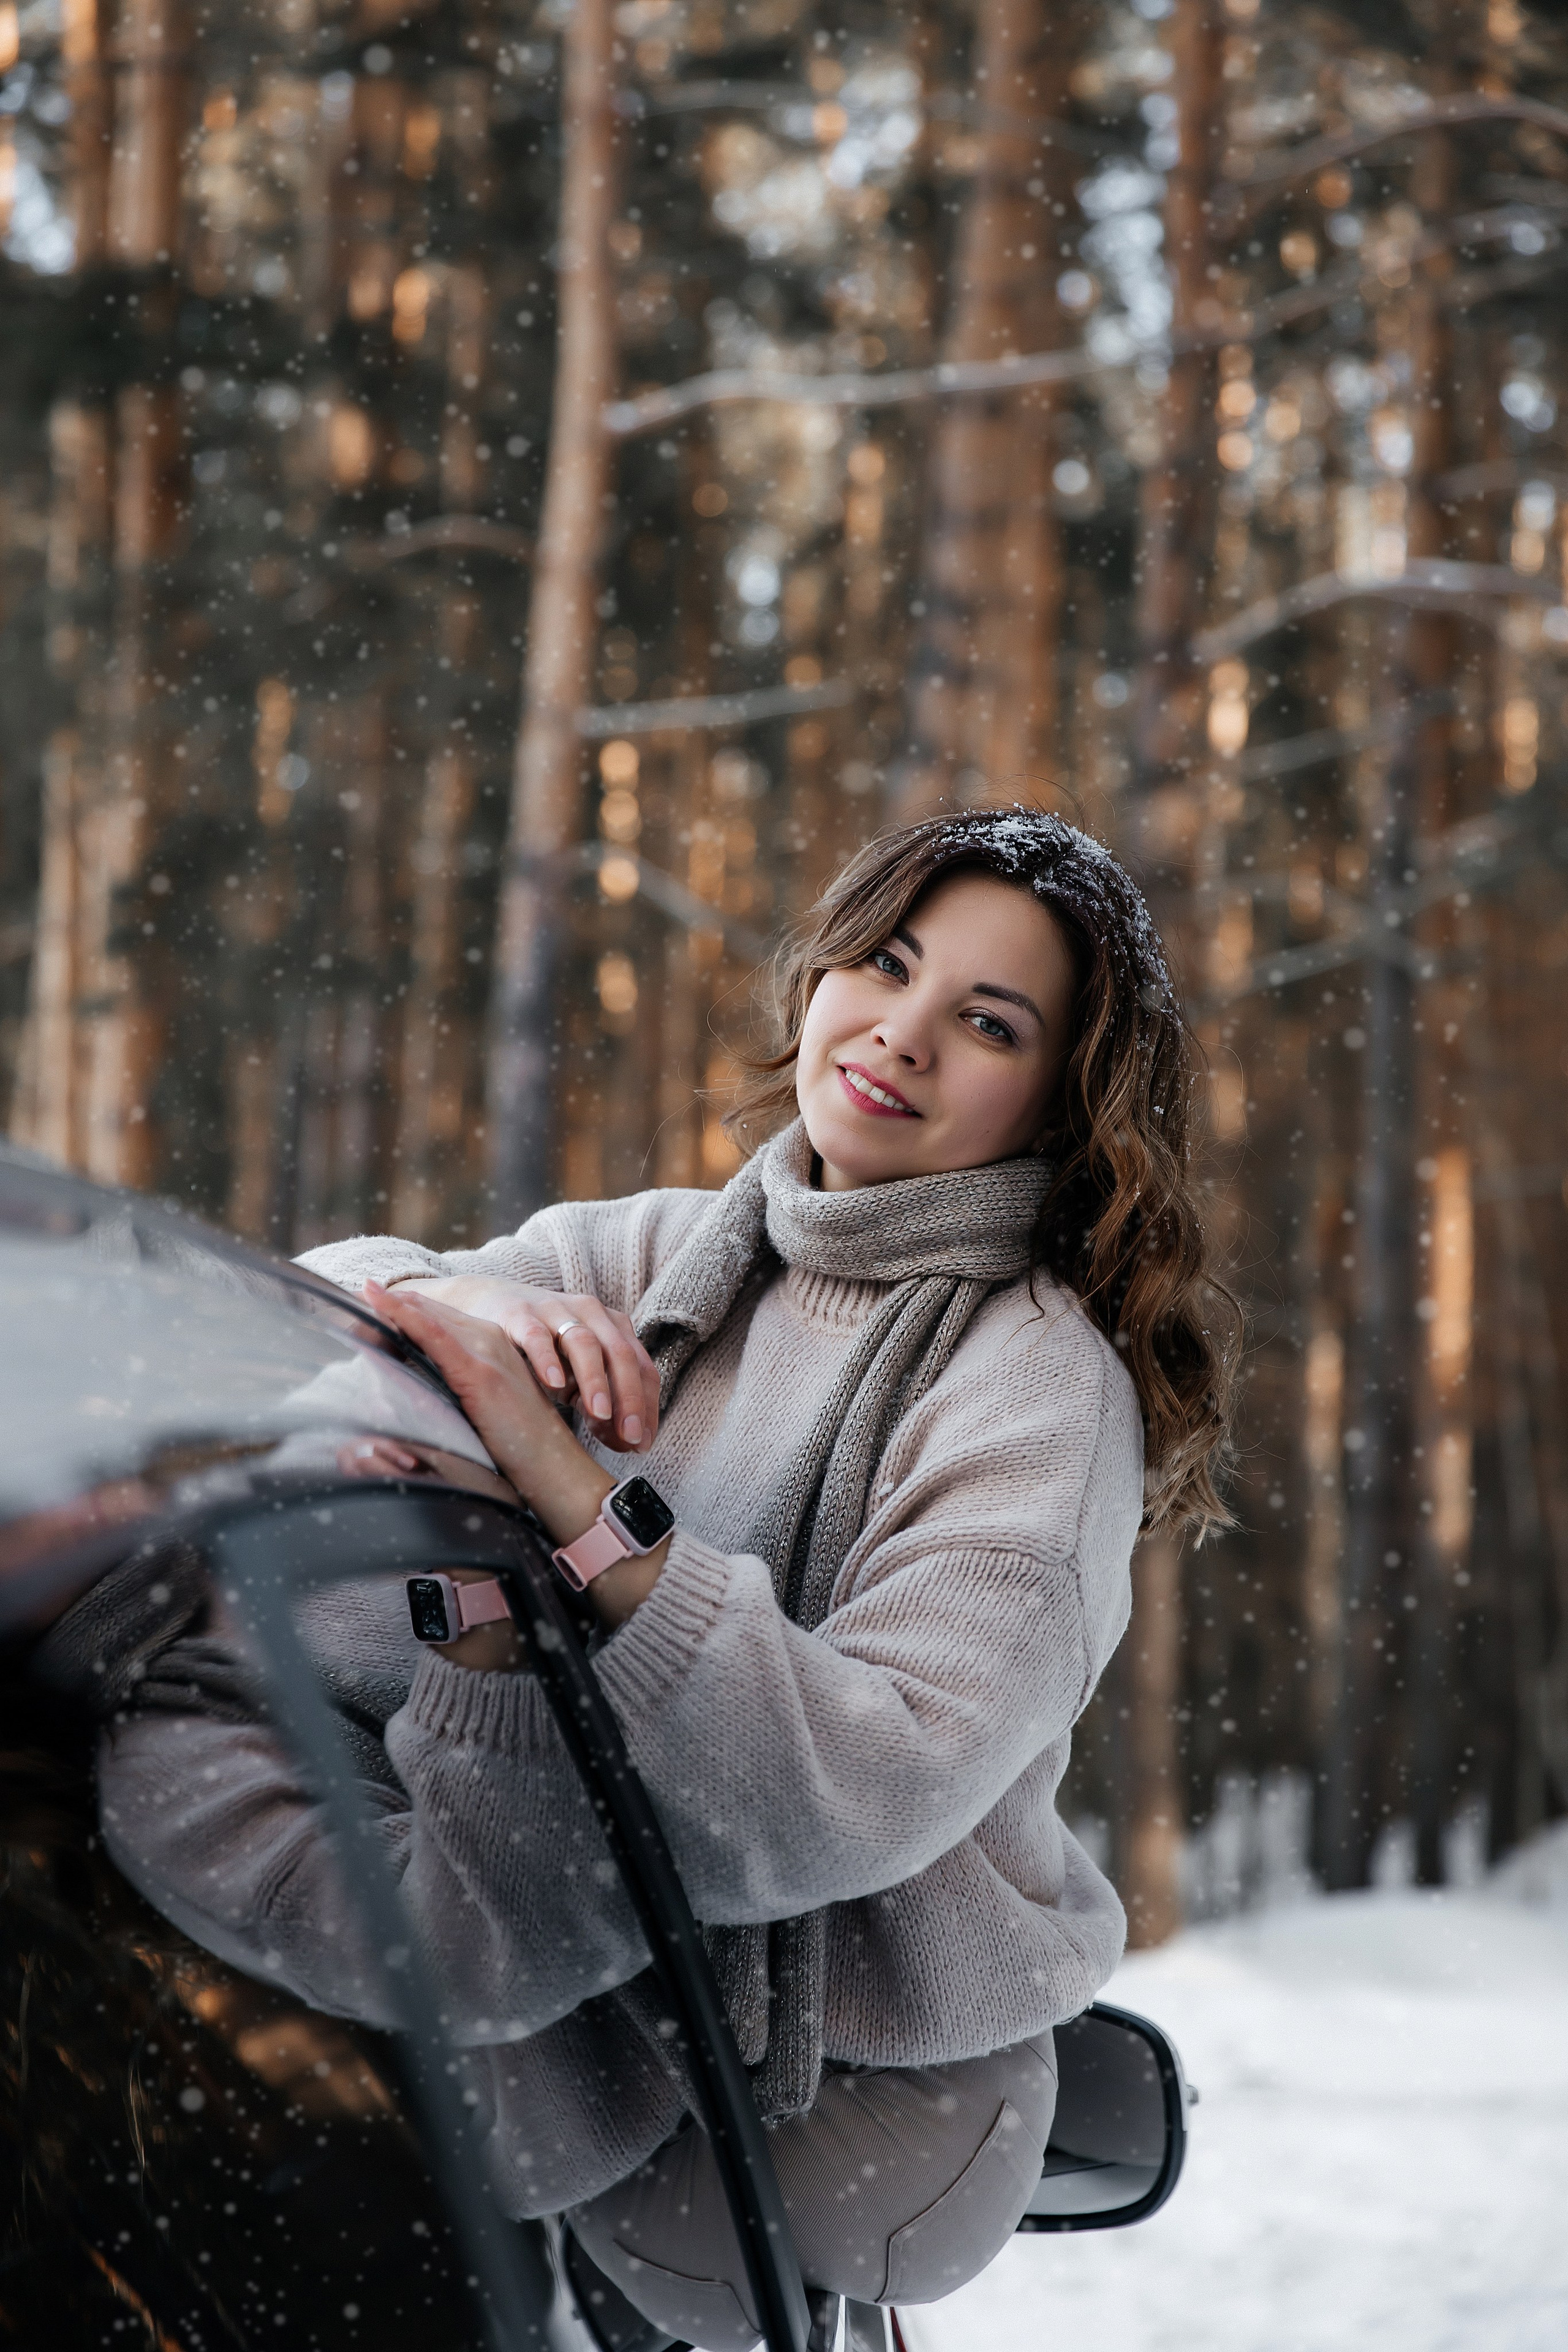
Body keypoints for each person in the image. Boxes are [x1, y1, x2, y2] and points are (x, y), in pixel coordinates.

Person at [77, 807, 1237, 2350]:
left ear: (1059, 1098)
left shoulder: (1036, 1388)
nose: (897, 1033)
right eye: (883, 964)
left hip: (837, 2080)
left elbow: (854, 1784)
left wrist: (573, 1501)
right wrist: (441, 1303)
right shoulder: (662, 1248)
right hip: (520, 1962)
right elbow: (311, 1309)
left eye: (985, 1020)